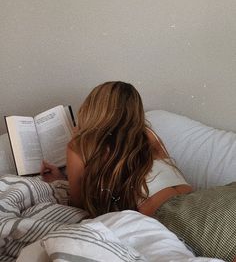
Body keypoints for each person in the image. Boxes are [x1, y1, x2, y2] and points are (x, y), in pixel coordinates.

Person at [41, 81, 236, 262]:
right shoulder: (148, 135)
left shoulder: (79, 145)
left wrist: (60, 176)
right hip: (209, 199)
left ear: (92, 108)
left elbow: (78, 203)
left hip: (178, 217)